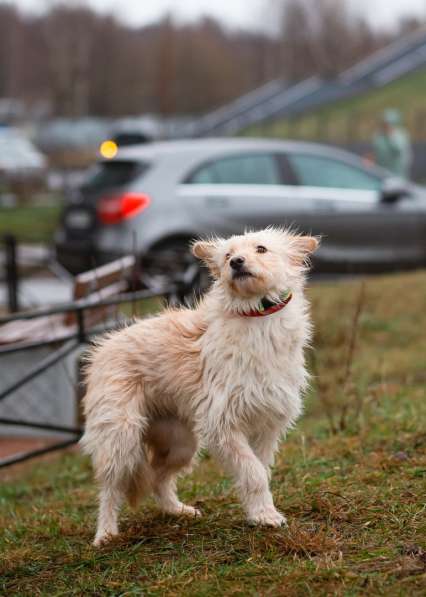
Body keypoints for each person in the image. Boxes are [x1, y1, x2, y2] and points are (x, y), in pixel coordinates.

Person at [372, 109, 412, 178]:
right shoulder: (378, 135)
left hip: (397, 173)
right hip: (381, 171)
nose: (386, 125)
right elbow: (376, 151)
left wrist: (390, 136)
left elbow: (399, 150)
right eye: (384, 123)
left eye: (388, 123)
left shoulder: (400, 135)